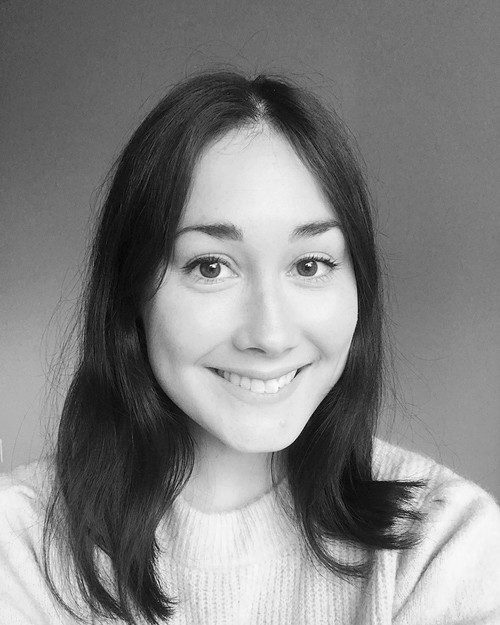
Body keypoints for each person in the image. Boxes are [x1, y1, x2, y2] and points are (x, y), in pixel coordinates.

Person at [1, 70, 499, 625]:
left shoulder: (444, 545)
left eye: (310, 265)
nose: (270, 335)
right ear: (130, 289)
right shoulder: (19, 545)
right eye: (211, 267)